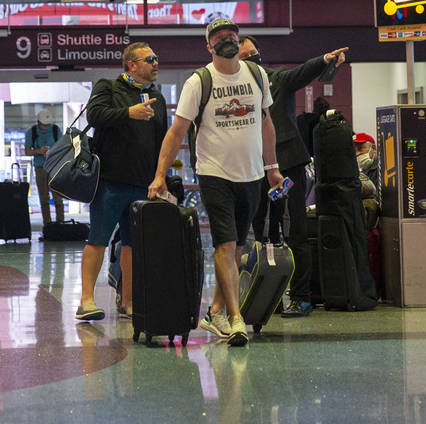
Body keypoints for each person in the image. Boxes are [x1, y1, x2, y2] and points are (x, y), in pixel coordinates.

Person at [149, 18, 284, 347]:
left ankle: (215, 312)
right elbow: (177, 131)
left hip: (251, 174)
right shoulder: (200, 81)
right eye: (219, 37)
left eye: (232, 35)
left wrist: (273, 168)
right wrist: (159, 175)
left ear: (240, 41)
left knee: (237, 247)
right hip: (213, 174)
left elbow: (266, 124)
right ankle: (236, 319)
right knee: (225, 244)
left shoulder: (256, 75)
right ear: (209, 46)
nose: (227, 40)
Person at [239, 35, 348, 317]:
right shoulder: (234, 89)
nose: (255, 59)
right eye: (247, 56)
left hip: (288, 164)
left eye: (256, 53)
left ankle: (301, 297)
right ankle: (267, 294)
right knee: (262, 233)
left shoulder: (277, 79)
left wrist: (325, 59)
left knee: (296, 231)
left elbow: (303, 72)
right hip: (255, 166)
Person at [75, 42, 168, 322]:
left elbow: (162, 141)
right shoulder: (108, 87)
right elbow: (95, 115)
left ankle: (128, 301)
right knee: (98, 239)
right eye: (150, 59)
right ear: (132, 64)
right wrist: (129, 112)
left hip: (143, 184)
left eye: (156, 58)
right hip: (110, 182)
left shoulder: (157, 98)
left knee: (132, 244)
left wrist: (161, 176)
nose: (155, 63)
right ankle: (86, 300)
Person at [25, 108, 61, 229]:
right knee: (44, 198)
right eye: (44, 125)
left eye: (48, 125)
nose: (46, 127)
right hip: (40, 167)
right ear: (38, 122)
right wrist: (38, 151)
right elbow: (27, 151)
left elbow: (63, 148)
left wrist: (52, 151)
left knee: (58, 198)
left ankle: (60, 225)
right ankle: (48, 226)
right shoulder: (32, 132)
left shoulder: (56, 130)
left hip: (55, 167)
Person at [352, 132, 381, 231]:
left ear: (373, 148)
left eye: (360, 149)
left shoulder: (384, 171)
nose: (357, 153)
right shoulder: (352, 173)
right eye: (353, 150)